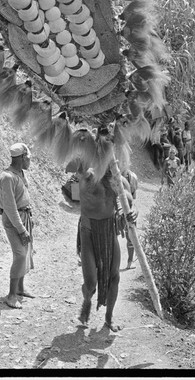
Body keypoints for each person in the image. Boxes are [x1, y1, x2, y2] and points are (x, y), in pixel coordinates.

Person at [77, 131, 137, 332]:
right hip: (88, 230)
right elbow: (81, 168)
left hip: (109, 230)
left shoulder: (119, 181)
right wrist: (91, 143)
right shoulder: (89, 175)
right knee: (91, 283)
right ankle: (87, 299)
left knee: (115, 277)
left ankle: (108, 319)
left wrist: (128, 214)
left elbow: (127, 201)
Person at [0, 142, 34, 309]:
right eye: (27, 158)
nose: (29, 161)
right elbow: (10, 207)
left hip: (24, 216)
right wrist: (21, 229)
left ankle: (19, 288)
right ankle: (11, 295)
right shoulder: (8, 177)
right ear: (20, 158)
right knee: (20, 254)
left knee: (25, 253)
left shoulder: (19, 173)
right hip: (14, 219)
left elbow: (3, 195)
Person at [121, 169, 138, 270]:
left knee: (130, 237)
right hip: (123, 208)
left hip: (128, 208)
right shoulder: (133, 176)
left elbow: (134, 197)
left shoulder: (133, 177)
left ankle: (130, 261)